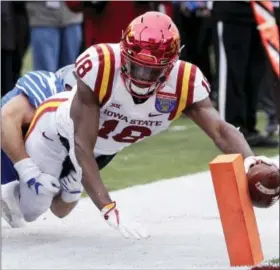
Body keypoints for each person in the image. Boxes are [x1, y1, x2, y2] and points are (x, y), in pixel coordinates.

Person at [2, 12, 278, 239]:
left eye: (153, 70)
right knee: (23, 186)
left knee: (46, 205)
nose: (143, 77)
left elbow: (219, 129)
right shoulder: (88, 74)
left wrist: (251, 159)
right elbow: (11, 121)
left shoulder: (183, 82)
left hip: (98, 147)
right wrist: (26, 168)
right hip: (58, 128)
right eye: (137, 67)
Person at [1, 65, 77, 227]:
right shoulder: (49, 89)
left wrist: (72, 192)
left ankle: (10, 197)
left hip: (20, 165)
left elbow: (59, 211)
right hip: (7, 150)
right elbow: (5, 118)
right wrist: (28, 170)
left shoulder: (94, 129)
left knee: (36, 201)